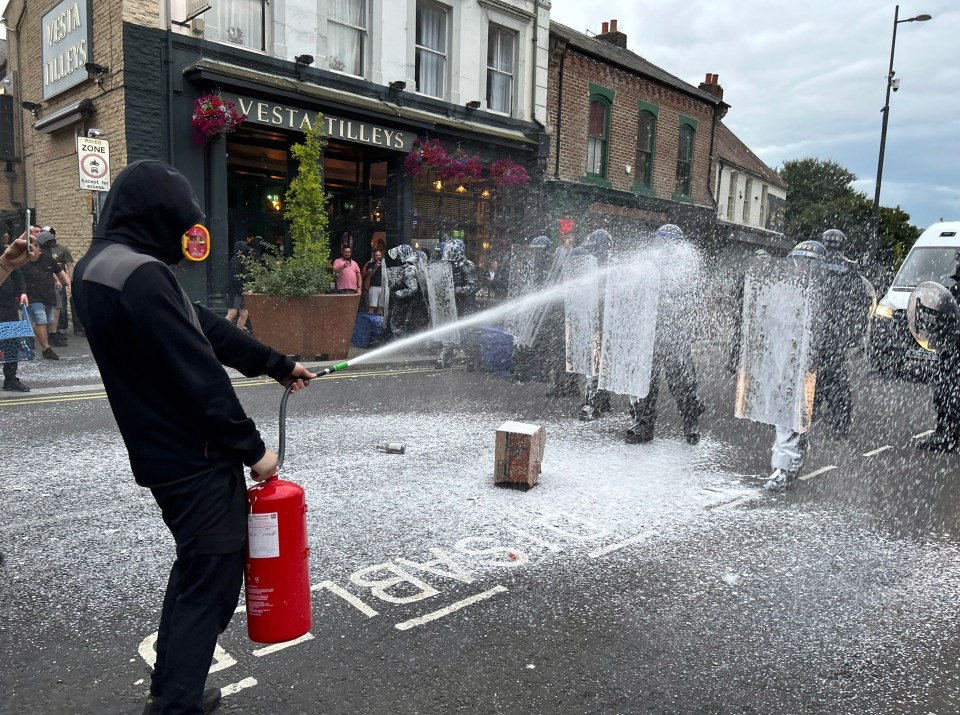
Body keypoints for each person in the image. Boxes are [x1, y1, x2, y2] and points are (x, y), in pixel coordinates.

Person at [72, 160, 316, 715]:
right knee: (210, 578)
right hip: (196, 457)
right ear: (155, 216)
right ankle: (175, 705)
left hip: (160, 456)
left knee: (195, 571)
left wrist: (275, 363)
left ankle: (173, 690)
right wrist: (253, 450)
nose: (185, 239)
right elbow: (197, 370)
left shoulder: (100, 268)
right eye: (180, 225)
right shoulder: (142, 274)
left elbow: (200, 324)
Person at [626, 224, 704, 444]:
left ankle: (691, 422)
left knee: (682, 383)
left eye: (667, 244)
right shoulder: (649, 267)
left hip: (675, 337)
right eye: (660, 243)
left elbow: (691, 302)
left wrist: (671, 304)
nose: (662, 249)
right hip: (649, 336)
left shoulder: (685, 269)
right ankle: (643, 423)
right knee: (644, 383)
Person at [762, 239, 828, 491]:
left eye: (808, 263)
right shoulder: (782, 288)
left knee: (792, 415)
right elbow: (765, 317)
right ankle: (788, 459)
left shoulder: (822, 293)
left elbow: (825, 331)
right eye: (799, 262)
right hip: (781, 360)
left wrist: (817, 358)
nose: (802, 267)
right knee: (784, 414)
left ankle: (782, 466)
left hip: (806, 365)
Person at [815, 228, 871, 441]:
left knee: (810, 375)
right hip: (835, 334)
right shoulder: (850, 268)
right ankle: (840, 424)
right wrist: (853, 334)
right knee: (836, 379)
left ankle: (806, 416)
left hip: (816, 331)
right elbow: (862, 303)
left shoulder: (815, 265)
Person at [20, 230, 66, 360]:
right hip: (33, 296)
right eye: (36, 246)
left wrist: (68, 283)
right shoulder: (23, 262)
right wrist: (22, 292)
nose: (40, 249)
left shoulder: (46, 258)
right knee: (41, 321)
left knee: (47, 321)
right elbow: (18, 278)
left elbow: (57, 271)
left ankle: (28, 337)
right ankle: (46, 348)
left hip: (47, 295)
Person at [437, 238, 480, 369]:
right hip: (452, 304)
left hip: (466, 305)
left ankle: (471, 360)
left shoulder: (466, 265)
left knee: (467, 333)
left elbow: (474, 285)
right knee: (449, 332)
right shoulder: (447, 265)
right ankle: (445, 359)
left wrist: (456, 290)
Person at [0, 255, 30, 392]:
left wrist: (22, 292)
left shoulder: (5, 251)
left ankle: (10, 379)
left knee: (11, 344)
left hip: (8, 306)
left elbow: (17, 273)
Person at [42, 229, 74, 347]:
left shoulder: (60, 249)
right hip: (42, 285)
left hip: (57, 285)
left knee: (59, 308)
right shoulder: (39, 251)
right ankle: (46, 334)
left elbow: (64, 267)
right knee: (42, 310)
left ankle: (56, 332)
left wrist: (70, 283)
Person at [386, 244, 423, 337]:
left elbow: (413, 288)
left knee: (398, 323)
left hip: (405, 302)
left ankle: (399, 342)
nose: (397, 259)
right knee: (397, 322)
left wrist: (399, 293)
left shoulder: (409, 269)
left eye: (398, 256)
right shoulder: (407, 268)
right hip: (404, 302)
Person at [225, 241, 252, 332]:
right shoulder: (236, 260)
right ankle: (220, 331)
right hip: (235, 291)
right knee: (232, 313)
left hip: (239, 291)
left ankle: (238, 335)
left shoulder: (239, 260)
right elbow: (235, 277)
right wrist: (242, 287)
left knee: (244, 314)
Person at [363, 249, 384, 314]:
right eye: (376, 255)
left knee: (381, 307)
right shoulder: (370, 264)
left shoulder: (385, 264)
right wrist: (376, 267)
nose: (378, 257)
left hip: (383, 287)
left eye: (379, 255)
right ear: (374, 256)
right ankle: (369, 321)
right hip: (374, 287)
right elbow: (370, 274)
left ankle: (380, 322)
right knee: (372, 306)